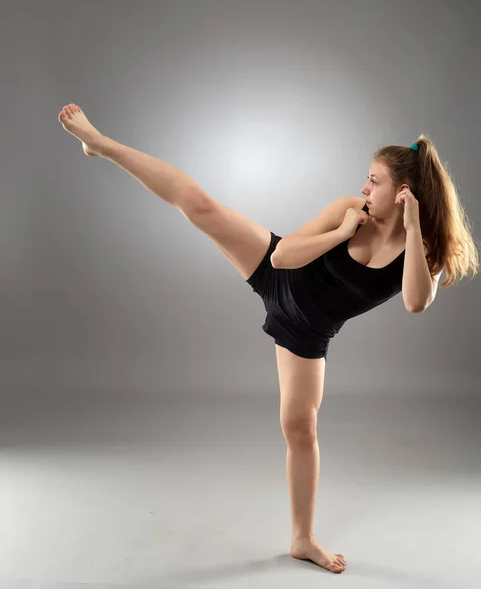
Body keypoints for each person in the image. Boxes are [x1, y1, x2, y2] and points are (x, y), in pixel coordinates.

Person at [58, 103, 479, 575]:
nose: (364, 187)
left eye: (374, 181)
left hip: (307, 332)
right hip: (279, 276)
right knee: (199, 205)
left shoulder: (423, 251)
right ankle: (103, 144)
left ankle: (302, 539)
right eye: (367, 178)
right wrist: (341, 231)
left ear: (404, 193)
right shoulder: (348, 209)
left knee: (301, 430)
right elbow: (283, 258)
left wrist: (415, 227)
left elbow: (417, 302)